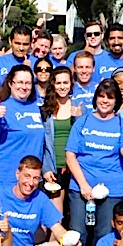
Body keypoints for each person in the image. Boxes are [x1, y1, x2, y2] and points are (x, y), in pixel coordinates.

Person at [66, 79, 123, 246]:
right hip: (81, 186)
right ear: (95, 98)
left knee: (105, 233)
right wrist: (84, 186)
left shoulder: (120, 123)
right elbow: (71, 155)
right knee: (78, 233)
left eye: (110, 97)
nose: (105, 101)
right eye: (102, 96)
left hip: (112, 187)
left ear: (116, 101)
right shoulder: (83, 121)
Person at [0, 65, 45, 192]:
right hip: (4, 177)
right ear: (10, 83)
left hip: (29, 181)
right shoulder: (2, 108)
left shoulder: (36, 107)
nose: (24, 87)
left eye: (28, 83)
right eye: (20, 82)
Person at [41, 66, 79, 212]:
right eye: (58, 83)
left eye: (66, 83)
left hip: (74, 168)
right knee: (56, 215)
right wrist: (46, 168)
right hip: (53, 168)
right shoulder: (45, 110)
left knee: (73, 216)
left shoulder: (78, 108)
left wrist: (79, 117)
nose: (62, 87)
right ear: (53, 85)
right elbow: (42, 143)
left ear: (71, 84)